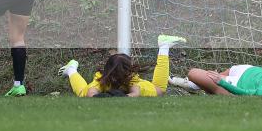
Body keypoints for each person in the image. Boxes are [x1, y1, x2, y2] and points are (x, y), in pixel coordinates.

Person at [58, 35, 186, 97]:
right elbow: (91, 93)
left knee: (159, 90)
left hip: (140, 87)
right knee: (82, 93)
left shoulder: (132, 78)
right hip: (107, 85)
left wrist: (122, 97)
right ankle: (71, 70)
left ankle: (164, 47)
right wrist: (103, 97)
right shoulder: (102, 78)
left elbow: (135, 93)